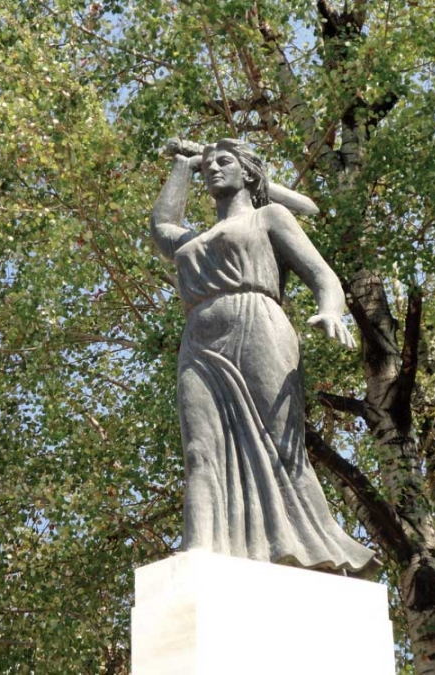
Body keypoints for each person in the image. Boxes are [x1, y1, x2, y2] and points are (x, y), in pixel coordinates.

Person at [150, 139, 378, 575]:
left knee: (280, 444)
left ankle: (310, 549)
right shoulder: (192, 240)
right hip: (199, 343)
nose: (213, 168)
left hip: (258, 326)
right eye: (208, 165)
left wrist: (331, 310)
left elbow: (322, 275)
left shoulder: (270, 216)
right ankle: (199, 549)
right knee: (200, 449)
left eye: (224, 161)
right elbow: (162, 226)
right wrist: (183, 164)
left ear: (248, 172)